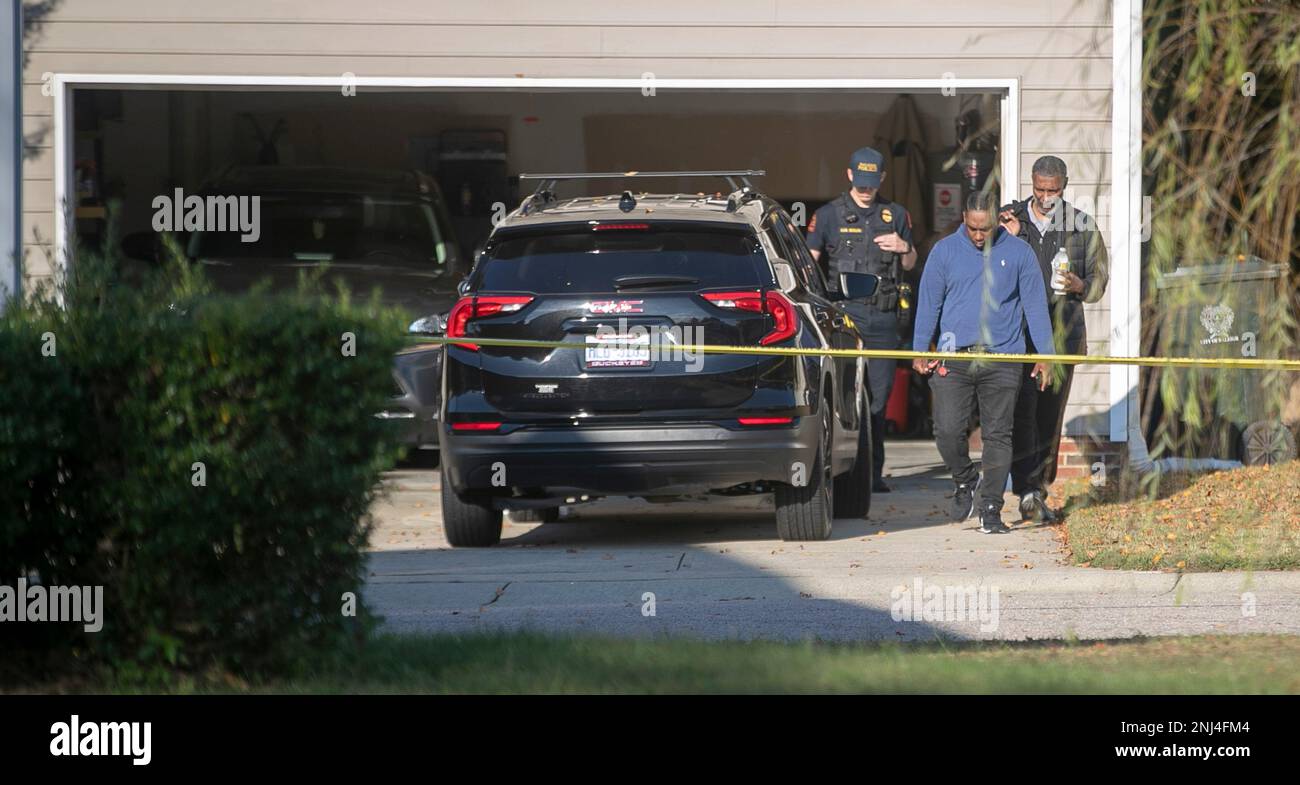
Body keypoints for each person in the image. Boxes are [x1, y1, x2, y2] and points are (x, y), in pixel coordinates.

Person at [911, 192, 1054, 534]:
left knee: (998, 433)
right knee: (946, 430)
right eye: (973, 228)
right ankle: (965, 480)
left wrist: (1046, 355)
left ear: (997, 221)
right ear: (964, 218)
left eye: (985, 229)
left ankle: (991, 507)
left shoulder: (1020, 253)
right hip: (955, 356)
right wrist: (919, 348)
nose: (978, 236)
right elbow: (929, 303)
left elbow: (1035, 306)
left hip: (1003, 357)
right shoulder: (944, 251)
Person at [999, 156, 1110, 523]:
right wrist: (1008, 241)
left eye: (1054, 191)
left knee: (1048, 418)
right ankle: (1023, 488)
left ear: (1064, 185)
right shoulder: (1008, 219)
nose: (1046, 197)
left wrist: (1082, 285)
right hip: (1018, 337)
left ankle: (1037, 492)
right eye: (1040, 190)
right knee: (1018, 415)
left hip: (1061, 335)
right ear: (1031, 183)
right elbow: (984, 267)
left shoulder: (1081, 225)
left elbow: (1099, 280)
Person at [806, 147, 918, 493]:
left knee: (878, 400)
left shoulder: (895, 214)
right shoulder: (827, 216)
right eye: (861, 181)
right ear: (850, 175)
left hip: (883, 317)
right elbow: (811, 263)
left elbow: (912, 263)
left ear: (881, 179)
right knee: (843, 395)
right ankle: (841, 471)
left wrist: (903, 248)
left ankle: (873, 473)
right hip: (845, 318)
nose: (867, 189)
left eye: (873, 182)